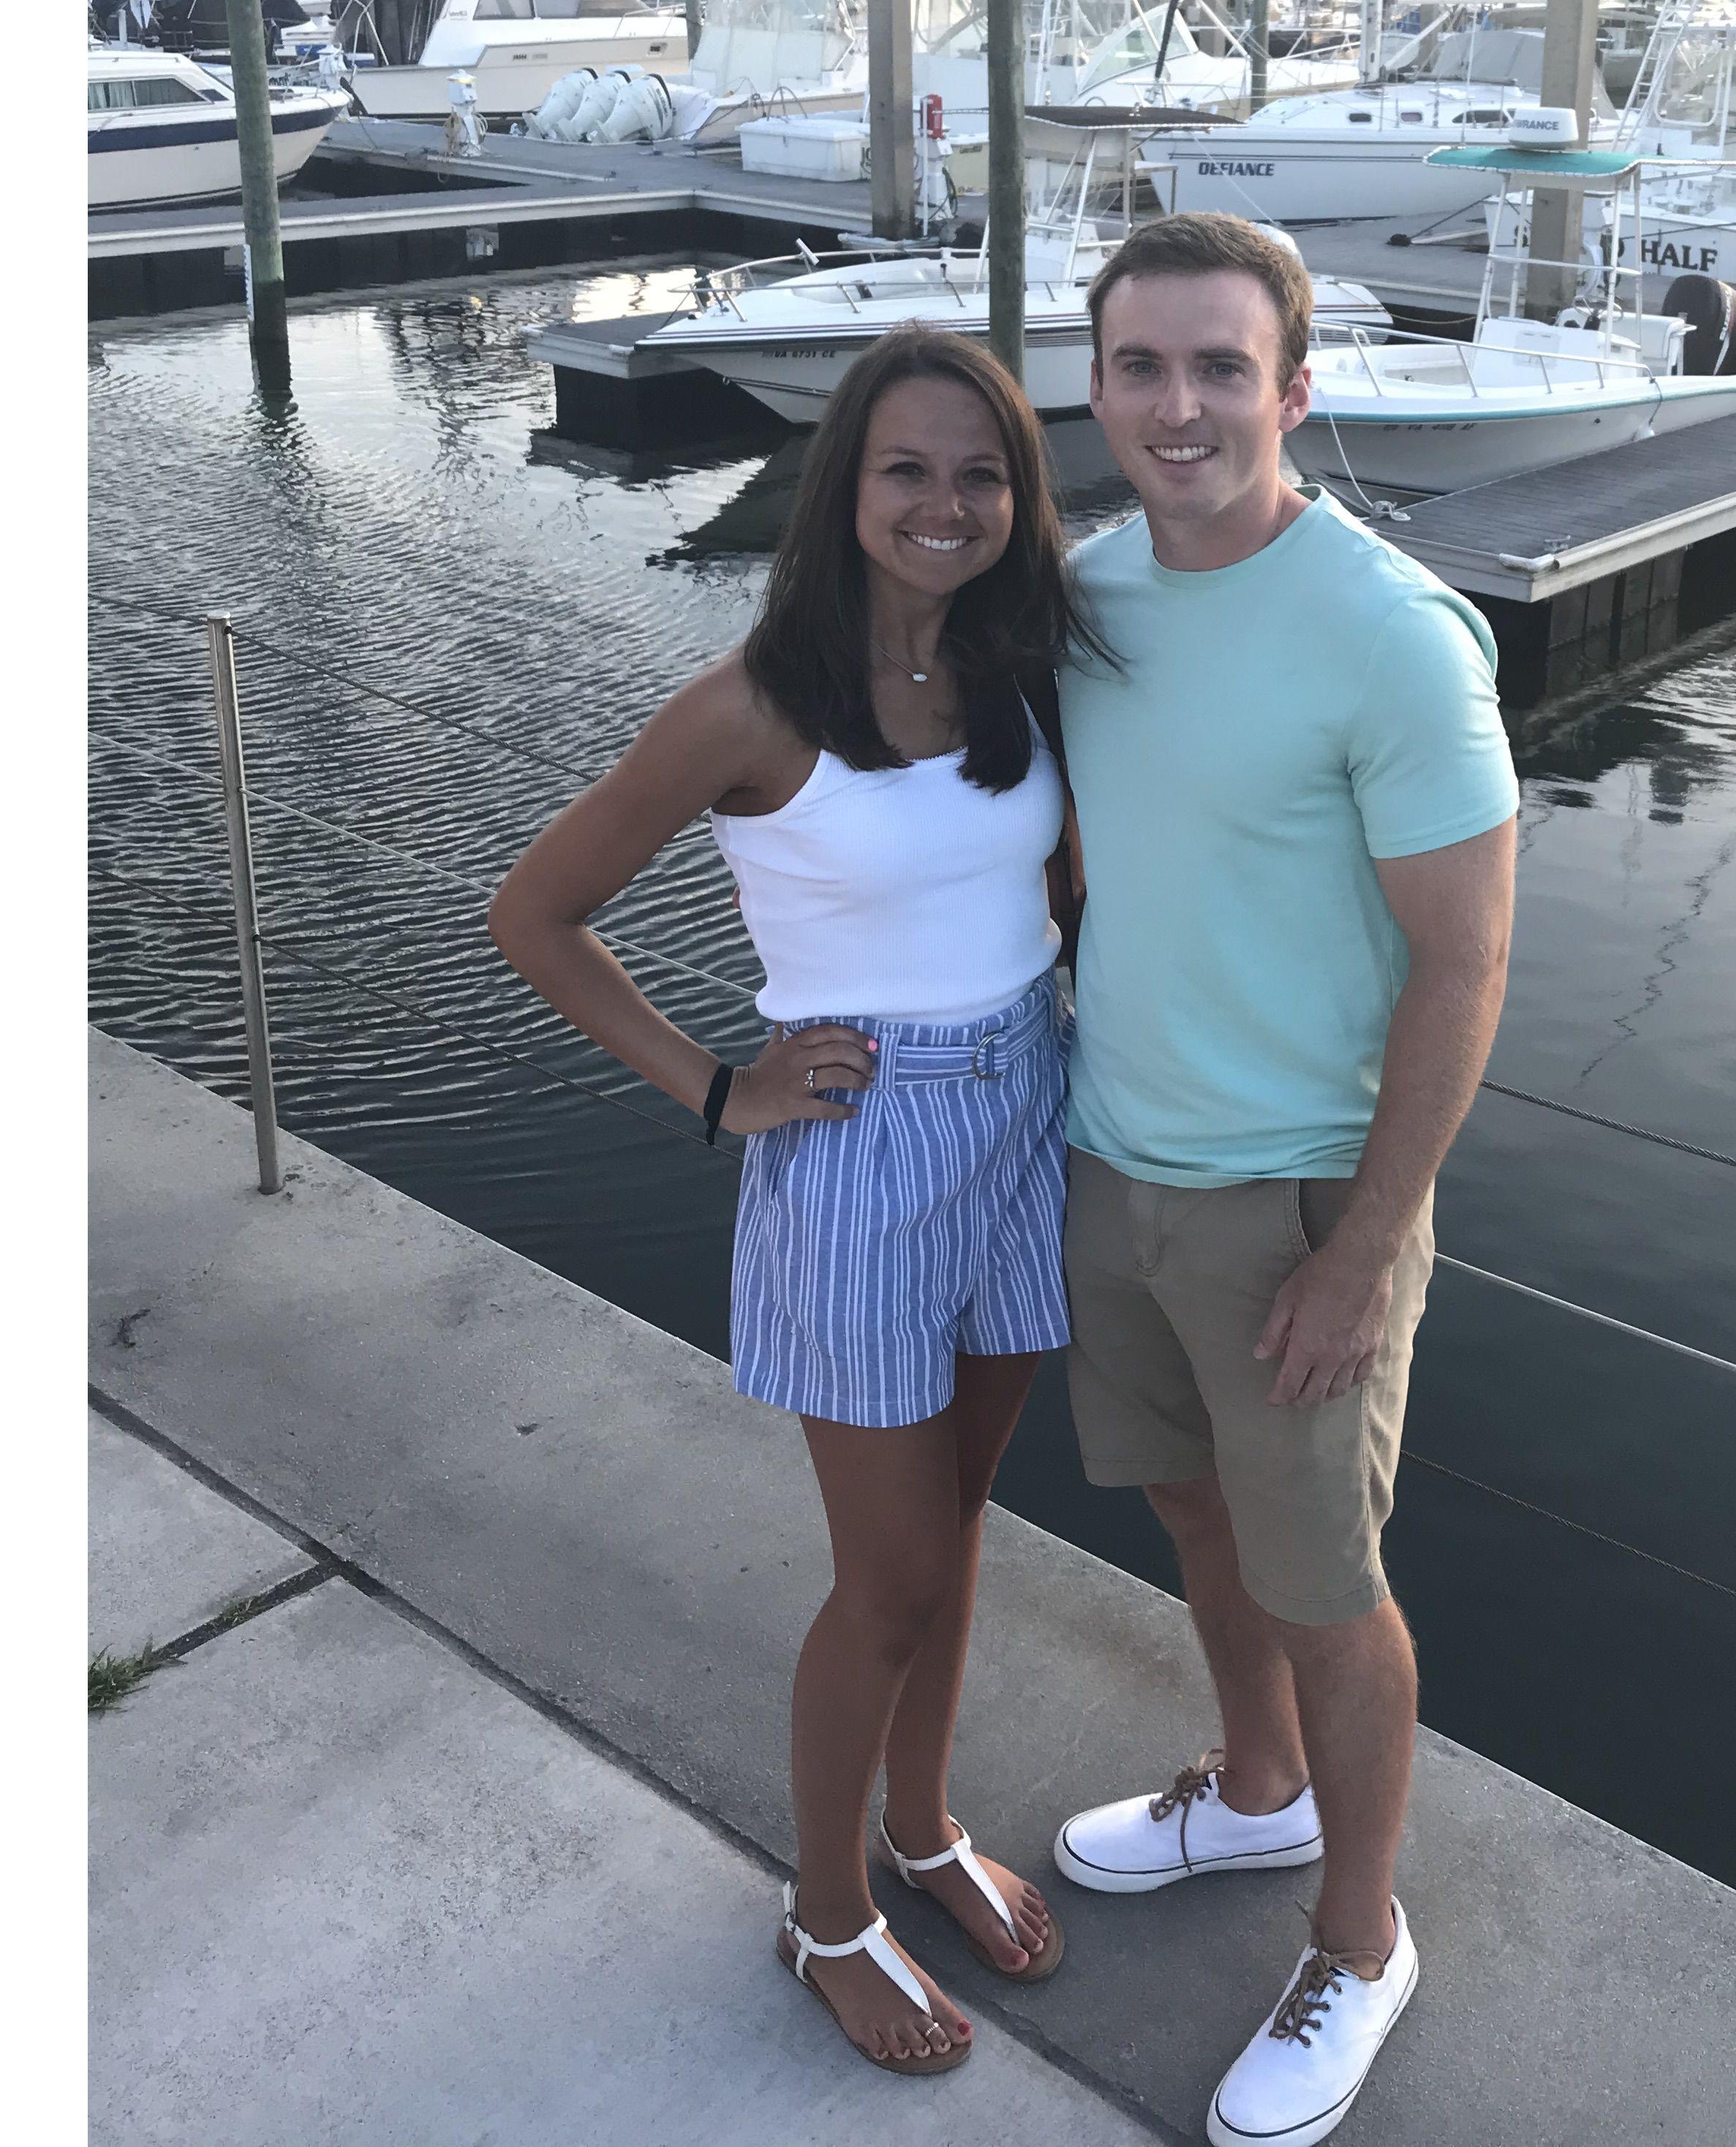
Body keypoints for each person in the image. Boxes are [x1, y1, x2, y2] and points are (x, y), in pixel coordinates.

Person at [490, 322, 1103, 2081]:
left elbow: (1059, 890)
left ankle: (922, 1827)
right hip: (859, 1154)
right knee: (887, 1580)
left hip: (1022, 1110)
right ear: (845, 487)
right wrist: (718, 1087)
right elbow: (536, 915)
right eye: (907, 470)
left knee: (958, 1529)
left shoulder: (1012, 673)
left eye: (980, 475)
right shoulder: (750, 709)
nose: (944, 505)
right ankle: (826, 1914)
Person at [1045, 212, 1519, 2147]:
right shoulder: (1088, 596)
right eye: (1142, 367)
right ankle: (1258, 1794)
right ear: (1098, 389)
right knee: (1191, 1509)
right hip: (1116, 1158)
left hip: (1304, 1202)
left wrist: (1366, 1252)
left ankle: (1359, 1937)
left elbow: (1467, 966)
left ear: (1294, 390)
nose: (1181, 406)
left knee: (1329, 1584)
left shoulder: (1389, 633)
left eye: (1222, 368)